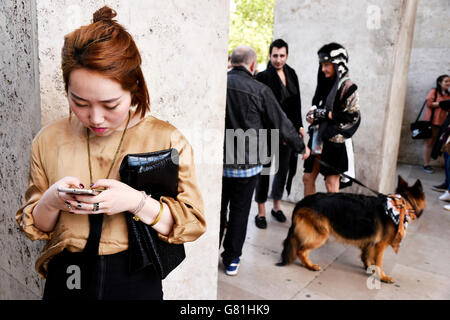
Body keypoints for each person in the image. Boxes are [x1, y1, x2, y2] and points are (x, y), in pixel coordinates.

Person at [15, 6, 206, 300]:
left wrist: (135, 202)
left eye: (110, 105)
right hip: (70, 270)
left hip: (136, 273)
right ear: (66, 90)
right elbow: (36, 227)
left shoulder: (166, 138)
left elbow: (191, 224)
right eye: (79, 102)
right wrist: (53, 199)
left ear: (135, 88)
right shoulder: (49, 139)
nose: (95, 118)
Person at [220, 45, 308, 276]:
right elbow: (282, 123)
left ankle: (209, 253)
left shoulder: (218, 83)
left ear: (232, 62)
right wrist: (301, 147)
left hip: (217, 164)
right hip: (246, 166)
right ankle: (231, 259)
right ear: (252, 65)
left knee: (218, 210)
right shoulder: (260, 90)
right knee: (239, 212)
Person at [254, 39, 305, 229]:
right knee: (264, 172)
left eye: (282, 55)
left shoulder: (292, 74)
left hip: (289, 133)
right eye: (275, 55)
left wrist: (299, 127)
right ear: (269, 56)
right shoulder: (262, 77)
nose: (278, 59)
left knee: (283, 171)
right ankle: (261, 211)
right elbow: (260, 110)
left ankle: (276, 206)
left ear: (287, 56)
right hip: (268, 133)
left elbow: (297, 102)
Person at [302, 42, 361, 196]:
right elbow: (316, 108)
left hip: (335, 142)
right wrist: (312, 116)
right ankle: (310, 215)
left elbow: (353, 117)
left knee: (331, 184)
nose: (323, 69)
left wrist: (326, 114)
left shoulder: (348, 87)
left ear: (338, 64)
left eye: (327, 65)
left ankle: (332, 219)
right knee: (307, 178)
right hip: (317, 137)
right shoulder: (323, 83)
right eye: (322, 64)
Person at [423, 74, 450, 174]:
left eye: (449, 81)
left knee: (439, 144)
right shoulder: (434, 92)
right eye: (446, 81)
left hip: (443, 123)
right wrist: (442, 104)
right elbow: (429, 104)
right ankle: (426, 164)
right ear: (440, 82)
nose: (448, 83)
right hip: (431, 121)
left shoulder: (448, 94)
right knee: (428, 143)